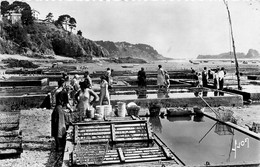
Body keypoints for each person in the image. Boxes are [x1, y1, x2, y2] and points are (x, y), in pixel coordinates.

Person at [51, 79, 73, 152]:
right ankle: (62, 146)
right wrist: (71, 109)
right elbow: (66, 104)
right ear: (63, 84)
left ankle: (57, 146)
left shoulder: (55, 91)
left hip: (55, 110)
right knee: (61, 127)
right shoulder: (64, 92)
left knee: (55, 127)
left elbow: (52, 102)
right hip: (60, 110)